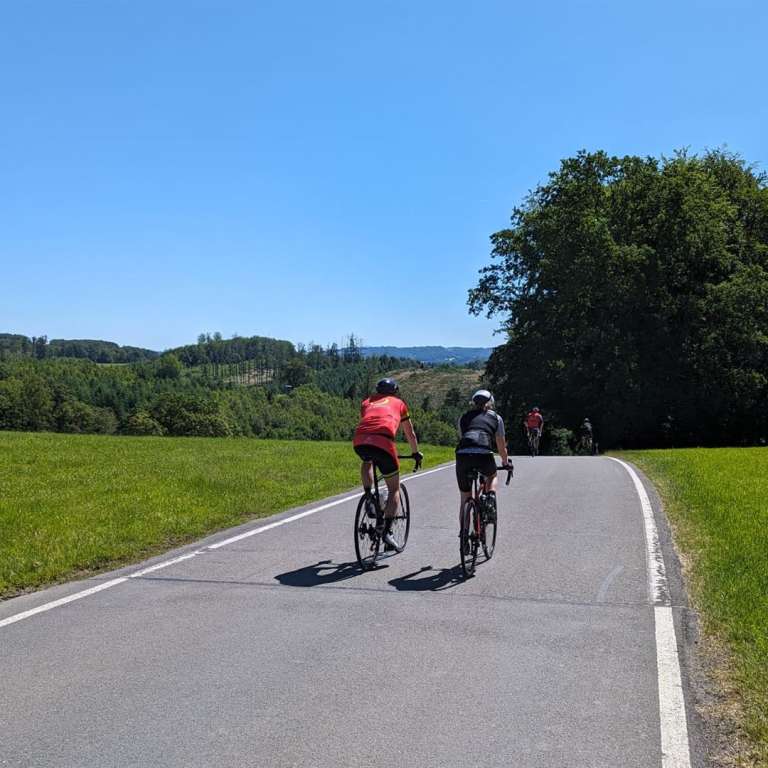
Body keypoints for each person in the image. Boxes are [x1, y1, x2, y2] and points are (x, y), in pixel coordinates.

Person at [353, 378, 422, 552]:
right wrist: (415, 452)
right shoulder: (399, 403)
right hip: (384, 442)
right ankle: (387, 531)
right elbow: (410, 433)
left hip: (360, 440)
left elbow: (370, 422)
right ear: (395, 391)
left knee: (367, 460)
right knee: (394, 489)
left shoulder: (366, 402)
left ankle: (368, 496)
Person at [456, 389, 512, 524]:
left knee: (465, 498)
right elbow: (501, 446)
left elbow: (462, 438)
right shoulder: (496, 418)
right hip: (484, 455)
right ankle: (490, 495)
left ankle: (463, 534)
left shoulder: (463, 417)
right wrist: (505, 462)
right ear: (490, 403)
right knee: (492, 476)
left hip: (463, 455)